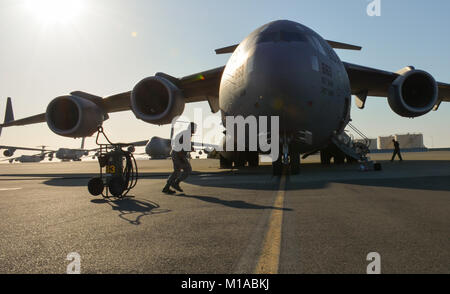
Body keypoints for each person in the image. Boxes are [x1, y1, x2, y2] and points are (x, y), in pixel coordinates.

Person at [162, 122, 197, 194]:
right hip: (178, 154)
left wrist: (190, 148)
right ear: (191, 128)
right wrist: (181, 158)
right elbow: (180, 145)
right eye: (195, 128)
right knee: (187, 169)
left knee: (177, 171)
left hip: (176, 153)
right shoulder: (187, 134)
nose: (195, 130)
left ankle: (166, 187)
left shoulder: (186, 134)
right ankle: (176, 183)